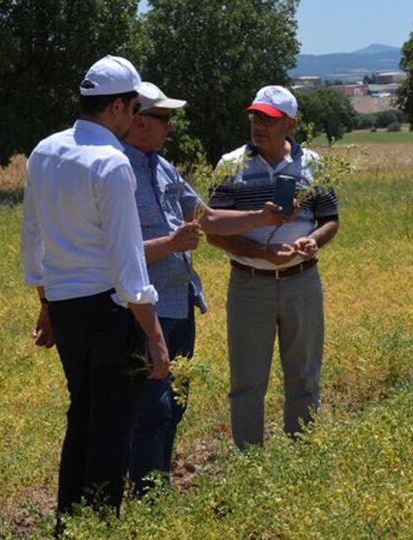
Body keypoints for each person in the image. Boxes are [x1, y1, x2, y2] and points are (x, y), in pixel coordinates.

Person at [19, 56, 169, 527]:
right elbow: (128, 262)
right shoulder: (111, 163)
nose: (136, 118)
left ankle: (69, 524)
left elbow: (32, 240)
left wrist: (46, 302)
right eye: (134, 108)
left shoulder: (44, 151)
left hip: (66, 308)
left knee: (81, 417)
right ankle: (98, 528)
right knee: (110, 429)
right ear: (120, 107)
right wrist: (155, 336)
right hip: (109, 311)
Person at [121, 82, 292, 492]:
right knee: (151, 408)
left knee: (175, 405)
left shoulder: (161, 167)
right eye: (164, 118)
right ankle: (146, 494)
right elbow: (112, 253)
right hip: (146, 310)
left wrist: (260, 217)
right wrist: (171, 244)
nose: (170, 126)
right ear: (139, 121)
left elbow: (207, 218)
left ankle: (155, 487)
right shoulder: (116, 170)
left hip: (180, 305)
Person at [207, 85, 340, 449]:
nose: (258, 125)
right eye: (255, 117)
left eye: (269, 119)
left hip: (302, 281)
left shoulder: (313, 164)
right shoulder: (230, 165)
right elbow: (213, 232)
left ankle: (301, 454)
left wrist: (315, 241)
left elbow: (330, 219)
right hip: (250, 284)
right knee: (247, 380)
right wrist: (261, 253)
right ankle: (250, 459)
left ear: (290, 125)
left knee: (305, 375)